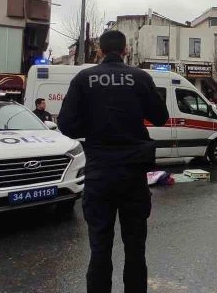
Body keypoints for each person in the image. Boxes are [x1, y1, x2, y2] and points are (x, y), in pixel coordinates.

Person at [57, 30, 169, 292]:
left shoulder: (84, 78)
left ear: (99, 51)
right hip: (133, 175)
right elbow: (161, 117)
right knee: (135, 248)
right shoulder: (140, 78)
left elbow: (66, 126)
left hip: (99, 173)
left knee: (99, 247)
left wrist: (94, 125)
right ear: (125, 50)